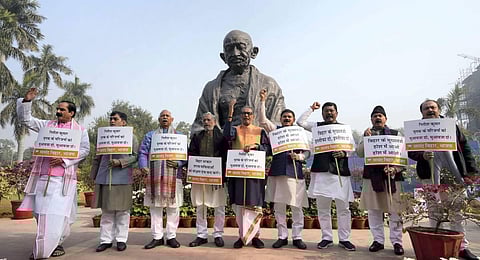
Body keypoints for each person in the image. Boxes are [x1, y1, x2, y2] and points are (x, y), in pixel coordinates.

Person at [17, 88, 90, 259]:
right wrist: (27, 101)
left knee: (57, 216)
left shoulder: (80, 130)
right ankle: (47, 244)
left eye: (62, 109)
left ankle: (44, 250)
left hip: (63, 180)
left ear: (71, 113)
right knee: (40, 214)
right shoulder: (46, 125)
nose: (58, 111)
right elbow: (25, 120)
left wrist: (65, 160)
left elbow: (85, 150)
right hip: (42, 177)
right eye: (57, 108)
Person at [408, 100, 479, 260]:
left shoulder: (451, 126)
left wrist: (471, 171)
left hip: (454, 176)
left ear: (439, 109)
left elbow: (465, 147)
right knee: (434, 212)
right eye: (426, 108)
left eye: (433, 107)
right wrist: (422, 155)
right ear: (422, 113)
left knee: (457, 212)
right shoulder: (417, 130)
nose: (430, 110)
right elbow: (411, 152)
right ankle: (437, 245)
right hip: (430, 177)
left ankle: (461, 247)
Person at [192, 30, 285, 133]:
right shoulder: (211, 89)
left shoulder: (269, 85)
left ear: (253, 52)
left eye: (241, 47)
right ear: (223, 57)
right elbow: (199, 126)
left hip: (256, 145)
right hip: (222, 145)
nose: (235, 53)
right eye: (229, 49)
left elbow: (279, 126)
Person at [297, 101, 356, 251]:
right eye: (326, 111)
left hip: (340, 172)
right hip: (322, 172)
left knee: (344, 208)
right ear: (322, 114)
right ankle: (326, 237)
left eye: (332, 111)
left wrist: (344, 153)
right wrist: (311, 109)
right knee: (323, 208)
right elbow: (301, 122)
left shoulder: (344, 129)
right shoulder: (317, 127)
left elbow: (352, 147)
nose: (329, 113)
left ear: (337, 113)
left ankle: (344, 239)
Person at [258, 89, 309, 249]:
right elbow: (262, 120)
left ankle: (297, 236)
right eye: (284, 117)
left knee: (296, 206)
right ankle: (282, 236)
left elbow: (307, 152)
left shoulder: (300, 133)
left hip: (295, 173)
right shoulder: (276, 131)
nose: (286, 119)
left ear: (293, 120)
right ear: (280, 119)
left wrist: (299, 157)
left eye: (289, 117)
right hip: (278, 172)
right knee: (279, 207)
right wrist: (262, 101)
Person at [356, 105, 405, 255]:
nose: (378, 118)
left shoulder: (396, 135)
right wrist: (365, 139)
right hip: (372, 177)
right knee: (373, 210)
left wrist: (395, 169)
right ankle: (378, 241)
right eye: (375, 116)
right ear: (371, 119)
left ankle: (397, 242)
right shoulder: (367, 135)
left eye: (380, 116)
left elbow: (402, 158)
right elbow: (359, 154)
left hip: (392, 177)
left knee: (395, 211)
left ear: (385, 119)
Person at [223, 100, 271, 249]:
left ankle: (255, 236)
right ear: (241, 115)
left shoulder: (259, 131)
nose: (246, 116)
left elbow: (268, 148)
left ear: (253, 116)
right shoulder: (235, 129)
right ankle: (241, 235)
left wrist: (256, 146)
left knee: (255, 204)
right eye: (244, 113)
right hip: (238, 173)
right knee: (239, 205)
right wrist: (230, 112)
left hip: (254, 174)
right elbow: (226, 136)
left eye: (249, 113)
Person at [90, 111, 138, 252]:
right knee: (106, 211)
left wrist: (120, 161)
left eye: (115, 119)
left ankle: (121, 239)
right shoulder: (103, 136)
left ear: (123, 122)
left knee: (123, 211)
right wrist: (93, 175)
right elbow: (97, 157)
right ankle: (106, 240)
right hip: (105, 176)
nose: (112, 121)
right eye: (110, 119)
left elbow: (135, 157)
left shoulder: (131, 137)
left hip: (123, 177)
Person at [139, 110, 186, 249]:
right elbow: (143, 152)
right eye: (162, 116)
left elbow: (185, 155)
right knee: (155, 207)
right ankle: (157, 237)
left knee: (173, 207)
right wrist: (143, 166)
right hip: (155, 175)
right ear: (158, 119)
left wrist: (179, 164)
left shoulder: (179, 136)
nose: (164, 118)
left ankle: (171, 236)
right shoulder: (151, 135)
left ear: (172, 119)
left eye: (167, 116)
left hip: (174, 176)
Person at [187, 112, 229, 248]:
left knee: (219, 206)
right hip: (200, 177)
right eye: (204, 120)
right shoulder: (196, 137)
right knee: (201, 206)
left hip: (217, 177)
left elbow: (226, 156)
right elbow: (191, 154)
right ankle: (201, 234)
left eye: (209, 120)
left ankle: (218, 234)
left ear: (214, 121)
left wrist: (219, 171)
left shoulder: (222, 138)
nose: (206, 122)